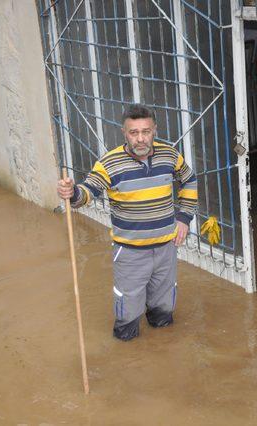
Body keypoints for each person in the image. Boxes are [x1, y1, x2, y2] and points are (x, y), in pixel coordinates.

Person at [57, 104, 198, 341]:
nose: (140, 139)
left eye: (146, 131)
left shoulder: (170, 155)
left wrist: (184, 218)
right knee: (127, 323)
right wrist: (71, 193)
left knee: (164, 314)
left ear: (155, 130)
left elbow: (190, 179)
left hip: (166, 248)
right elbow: (87, 192)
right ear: (124, 133)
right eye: (134, 132)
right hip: (130, 254)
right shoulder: (109, 163)